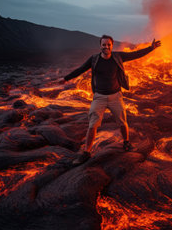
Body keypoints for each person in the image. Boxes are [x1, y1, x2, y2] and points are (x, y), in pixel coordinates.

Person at [64, 34, 161, 165]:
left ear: (112, 45)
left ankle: (126, 143)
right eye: (104, 45)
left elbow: (136, 54)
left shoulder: (118, 57)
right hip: (99, 97)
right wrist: (66, 78)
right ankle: (86, 152)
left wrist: (151, 48)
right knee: (93, 124)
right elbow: (80, 69)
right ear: (100, 46)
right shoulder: (94, 59)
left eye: (108, 45)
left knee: (123, 122)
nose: (106, 47)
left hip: (116, 96)